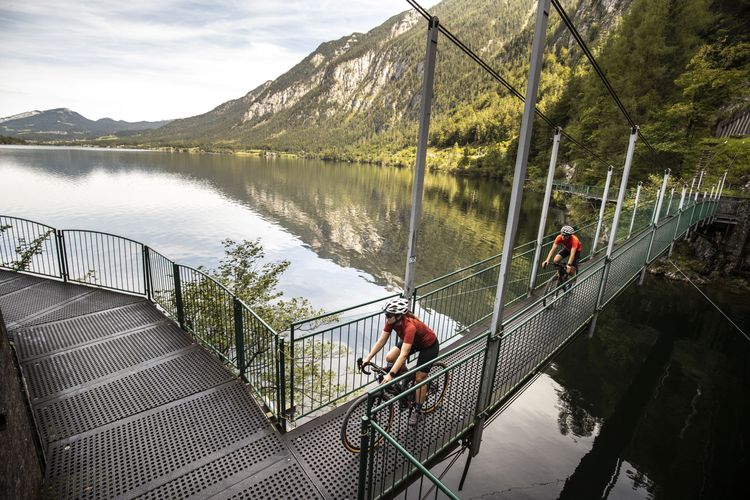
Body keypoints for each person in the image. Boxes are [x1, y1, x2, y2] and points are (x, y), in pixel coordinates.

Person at [360, 297, 439, 426]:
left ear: (398, 316)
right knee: (390, 357)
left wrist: (391, 374)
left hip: (428, 346)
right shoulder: (391, 321)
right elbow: (381, 341)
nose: (386, 318)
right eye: (386, 315)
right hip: (413, 341)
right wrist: (367, 358)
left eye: (388, 315)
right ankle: (407, 378)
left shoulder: (409, 327)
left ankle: (418, 412)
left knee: (420, 378)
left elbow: (403, 355)